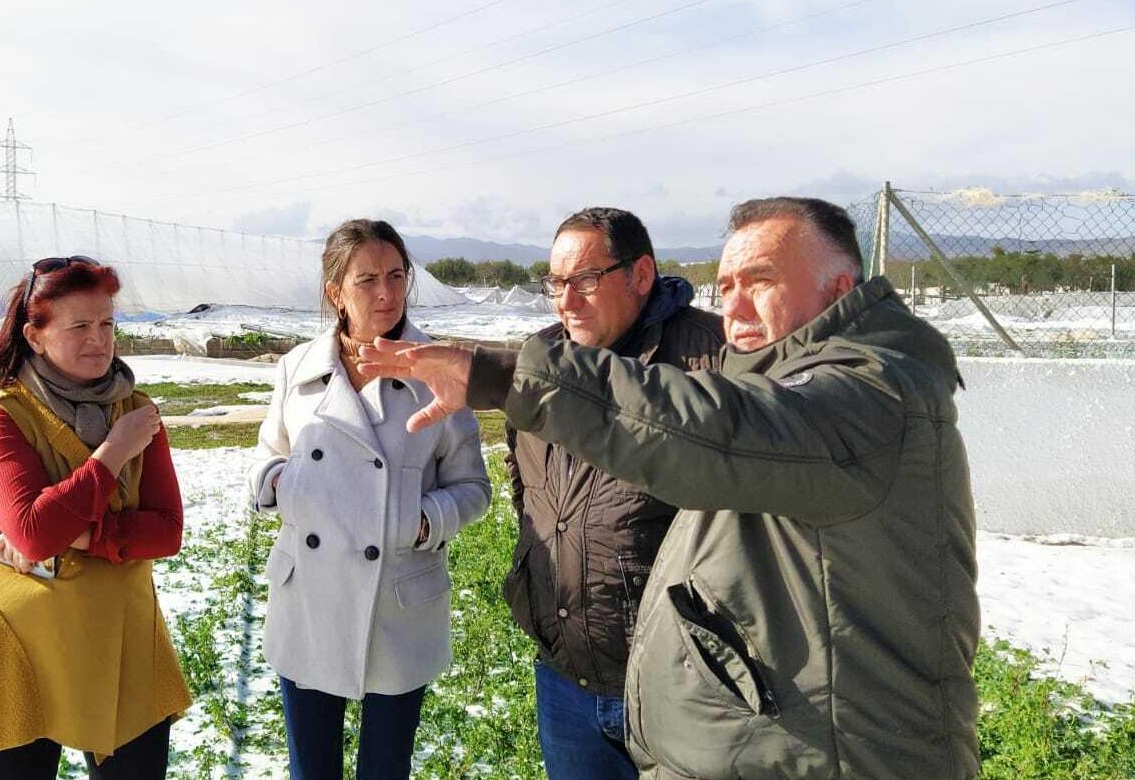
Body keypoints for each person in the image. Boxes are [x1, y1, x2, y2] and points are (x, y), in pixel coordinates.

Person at [359, 197, 981, 780]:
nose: (735, 308)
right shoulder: (577, 358)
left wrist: (499, 376)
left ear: (840, 288)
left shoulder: (861, 395)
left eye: (760, 281)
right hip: (600, 680)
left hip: (820, 747)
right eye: (727, 286)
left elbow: (714, 433)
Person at [247, 219, 491, 780]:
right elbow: (264, 460)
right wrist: (280, 484)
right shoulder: (297, 368)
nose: (386, 293)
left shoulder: (440, 373)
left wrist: (421, 521)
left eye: (397, 276)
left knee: (385, 769)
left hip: (397, 602)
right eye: (367, 280)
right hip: (308, 596)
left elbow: (473, 487)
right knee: (313, 770)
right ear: (336, 292)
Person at [0, 256, 190, 780]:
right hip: (18, 646)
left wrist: (85, 535)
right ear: (36, 335)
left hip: (120, 637)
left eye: (107, 324)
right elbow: (34, 531)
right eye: (79, 326)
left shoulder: (138, 411)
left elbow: (166, 531)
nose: (99, 339)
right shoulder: (1, 418)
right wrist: (112, 454)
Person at [509, 207, 722, 780]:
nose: (565, 299)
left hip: (680, 681)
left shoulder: (710, 358)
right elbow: (524, 481)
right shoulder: (541, 357)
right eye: (555, 282)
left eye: (585, 279)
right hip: (565, 676)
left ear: (641, 274)